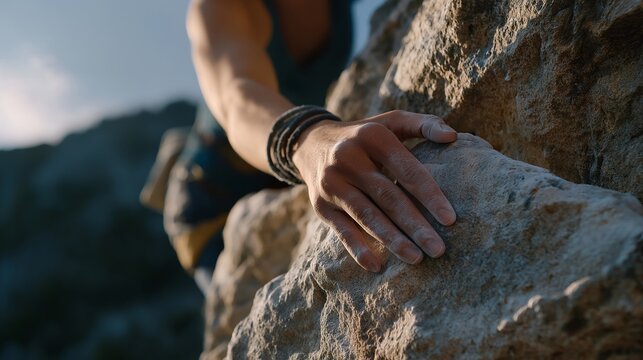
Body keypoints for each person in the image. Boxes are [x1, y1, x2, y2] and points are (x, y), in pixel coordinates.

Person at [142, 0, 457, 293]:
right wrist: (306, 136)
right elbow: (238, 98)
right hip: (215, 207)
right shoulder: (221, 7)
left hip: (288, 180)